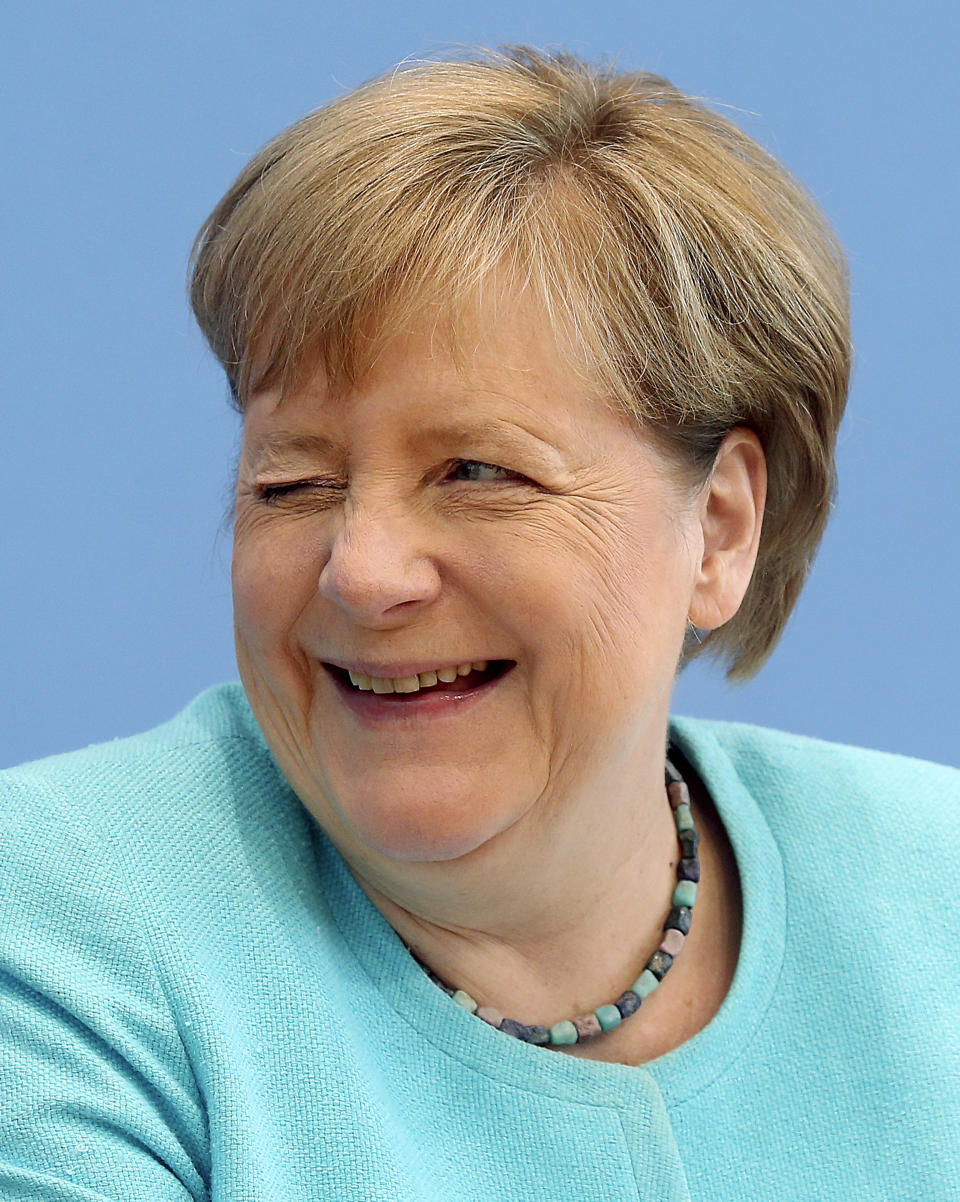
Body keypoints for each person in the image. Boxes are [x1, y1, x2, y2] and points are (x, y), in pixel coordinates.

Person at [1, 46, 957, 1202]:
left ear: (717, 528)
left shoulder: (935, 886)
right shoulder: (53, 917)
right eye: (290, 484)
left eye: (476, 470)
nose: (361, 571)